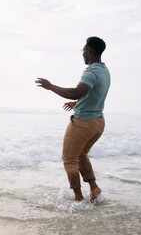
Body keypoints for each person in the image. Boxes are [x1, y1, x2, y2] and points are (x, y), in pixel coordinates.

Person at [35, 37, 110, 202]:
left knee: (69, 159)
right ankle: (94, 188)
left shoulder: (91, 72)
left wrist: (51, 86)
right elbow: (94, 94)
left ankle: (78, 197)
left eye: (84, 50)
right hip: (98, 122)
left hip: (83, 123)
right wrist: (77, 103)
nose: (83, 54)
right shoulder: (104, 71)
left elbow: (77, 92)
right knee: (82, 155)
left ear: (89, 51)